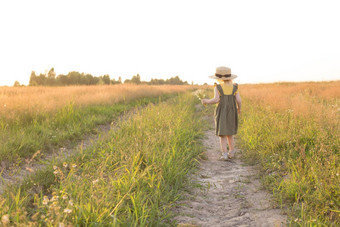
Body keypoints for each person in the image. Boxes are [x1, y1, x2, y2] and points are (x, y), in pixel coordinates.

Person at [201, 66, 242, 160]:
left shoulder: (218, 87)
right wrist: (239, 109)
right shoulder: (235, 87)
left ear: (218, 78)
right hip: (232, 111)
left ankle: (224, 154)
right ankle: (232, 152)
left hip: (222, 111)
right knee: (230, 134)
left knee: (222, 134)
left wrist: (206, 101)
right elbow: (239, 100)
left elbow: (216, 99)